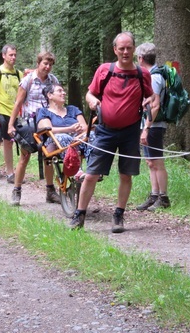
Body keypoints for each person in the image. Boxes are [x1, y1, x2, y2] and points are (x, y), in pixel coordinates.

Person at [69, 32, 157, 233]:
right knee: (91, 174)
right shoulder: (104, 70)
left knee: (126, 175)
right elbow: (90, 92)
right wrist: (91, 100)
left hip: (130, 132)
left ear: (134, 49)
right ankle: (79, 214)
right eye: (121, 48)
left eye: (128, 48)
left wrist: (148, 102)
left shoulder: (143, 74)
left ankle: (119, 215)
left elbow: (151, 97)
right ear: (115, 50)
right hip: (105, 131)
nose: (125, 52)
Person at [7, 52, 60, 206]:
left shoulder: (53, 80)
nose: (47, 67)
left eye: (50, 64)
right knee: (25, 157)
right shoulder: (28, 80)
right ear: (38, 63)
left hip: (48, 123)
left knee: (49, 156)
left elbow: (58, 100)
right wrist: (11, 124)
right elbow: (18, 103)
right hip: (30, 123)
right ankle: (16, 190)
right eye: (45, 63)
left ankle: (50, 191)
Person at [135, 43, 170, 211]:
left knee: (158, 162)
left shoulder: (154, 77)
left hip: (153, 125)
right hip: (148, 124)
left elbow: (154, 106)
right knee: (150, 162)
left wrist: (146, 128)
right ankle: (154, 195)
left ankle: (163, 197)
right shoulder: (150, 75)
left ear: (141, 58)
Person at [0, 45, 21, 189]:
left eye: (14, 55)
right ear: (4, 56)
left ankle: (10, 174)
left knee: (9, 143)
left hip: (13, 115)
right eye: (10, 55)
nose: (13, 57)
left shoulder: (19, 74)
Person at [36, 83, 92, 162]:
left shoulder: (73, 109)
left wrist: (78, 134)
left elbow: (85, 128)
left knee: (91, 135)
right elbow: (49, 130)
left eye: (63, 91)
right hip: (55, 141)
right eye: (60, 91)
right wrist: (69, 129)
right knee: (62, 137)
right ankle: (76, 170)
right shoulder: (44, 111)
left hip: (77, 138)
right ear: (50, 95)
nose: (64, 93)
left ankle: (93, 170)